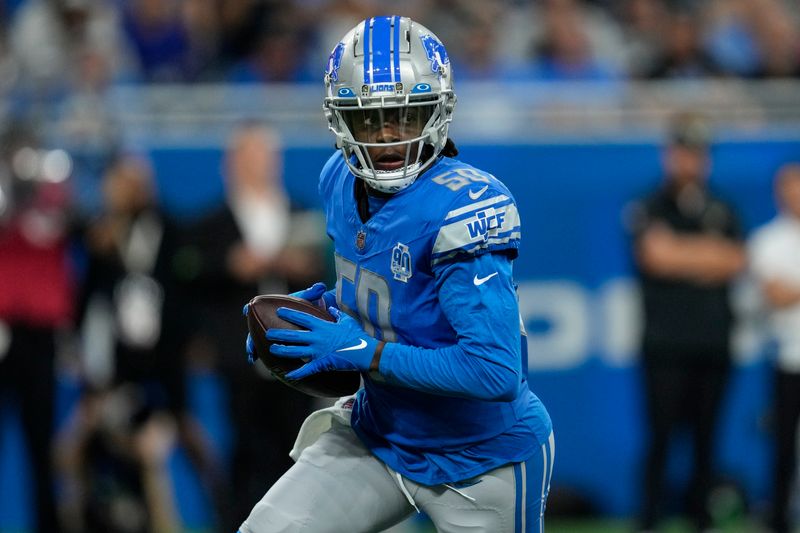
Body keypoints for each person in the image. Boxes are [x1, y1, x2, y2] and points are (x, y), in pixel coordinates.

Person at [240, 16, 554, 533]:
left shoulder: (465, 208)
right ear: (341, 121)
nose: (387, 138)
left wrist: (364, 352)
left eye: (404, 117)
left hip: (480, 456)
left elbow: (495, 373)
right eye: (370, 120)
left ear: (438, 111)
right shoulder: (338, 179)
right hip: (379, 431)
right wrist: (327, 312)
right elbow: (389, 300)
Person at [176, 121, 322, 531]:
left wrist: (302, 266)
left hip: (296, 352)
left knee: (296, 448)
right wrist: (230, 265)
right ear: (233, 163)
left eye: (267, 156)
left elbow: (332, 274)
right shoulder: (211, 224)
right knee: (244, 445)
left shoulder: (301, 213)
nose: (261, 165)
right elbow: (187, 273)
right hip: (237, 353)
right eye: (252, 156)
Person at [628, 112, 746, 531]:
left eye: (697, 153)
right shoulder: (648, 205)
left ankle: (701, 519)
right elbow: (655, 256)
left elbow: (734, 260)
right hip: (665, 347)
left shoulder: (723, 207)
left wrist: (682, 253)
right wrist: (706, 255)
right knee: (660, 439)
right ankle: (650, 519)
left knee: (706, 442)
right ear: (668, 155)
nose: (689, 161)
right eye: (682, 151)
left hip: (713, 343)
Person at [748, 163, 800, 533]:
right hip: (789, 357)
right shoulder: (767, 240)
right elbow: (776, 294)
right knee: (784, 450)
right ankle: (780, 520)